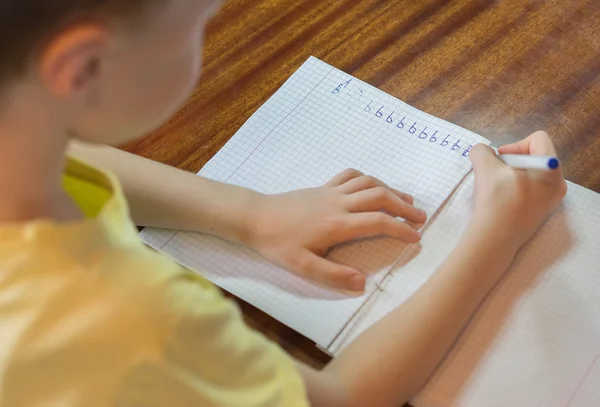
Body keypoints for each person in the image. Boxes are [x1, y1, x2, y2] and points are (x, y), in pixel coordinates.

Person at [0, 1, 567, 406]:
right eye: (201, 22)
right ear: (83, 69)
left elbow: (54, 148)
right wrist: (498, 233)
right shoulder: (123, 325)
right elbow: (343, 398)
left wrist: (247, 212)